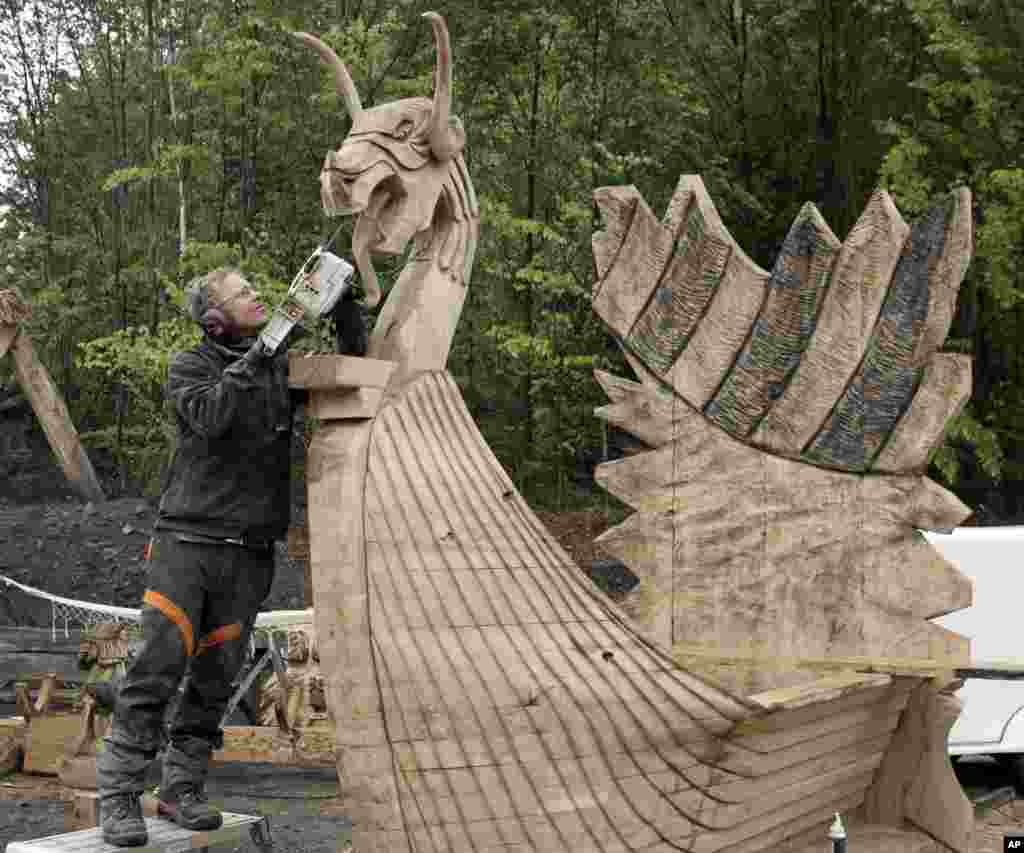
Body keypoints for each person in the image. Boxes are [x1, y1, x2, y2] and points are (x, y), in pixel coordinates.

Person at [97, 266, 365, 846]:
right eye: (243, 292)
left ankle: (181, 790)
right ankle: (118, 797)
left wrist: (345, 310)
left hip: (250, 551)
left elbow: (351, 371)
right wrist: (269, 346)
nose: (258, 295)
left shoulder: (278, 369)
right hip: (186, 544)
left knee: (215, 679)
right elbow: (212, 415)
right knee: (157, 668)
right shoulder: (189, 367)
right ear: (214, 318)